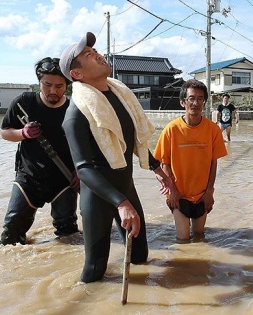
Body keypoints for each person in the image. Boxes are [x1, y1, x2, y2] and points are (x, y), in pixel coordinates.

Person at [59, 32, 173, 283]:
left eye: (94, 51)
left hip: (125, 186)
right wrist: (121, 204)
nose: (97, 54)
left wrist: (156, 168)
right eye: (88, 55)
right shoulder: (76, 115)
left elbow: (131, 141)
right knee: (95, 270)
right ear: (77, 74)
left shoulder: (120, 96)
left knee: (140, 256)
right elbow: (84, 169)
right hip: (98, 196)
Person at [0, 57, 79, 246]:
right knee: (10, 235)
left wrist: (80, 171)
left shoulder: (75, 108)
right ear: (38, 82)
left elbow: (87, 144)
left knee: (69, 236)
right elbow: (4, 132)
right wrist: (22, 133)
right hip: (29, 176)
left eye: (59, 86)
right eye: (47, 84)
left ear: (66, 85)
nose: (53, 91)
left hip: (65, 179)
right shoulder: (23, 102)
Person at [154, 79, 227, 242]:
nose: (195, 103)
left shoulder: (213, 130)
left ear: (204, 102)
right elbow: (164, 162)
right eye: (191, 98)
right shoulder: (171, 129)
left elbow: (213, 163)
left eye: (200, 99)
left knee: (200, 236)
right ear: (182, 102)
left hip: (202, 195)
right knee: (183, 239)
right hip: (178, 195)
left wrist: (209, 192)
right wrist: (172, 191)